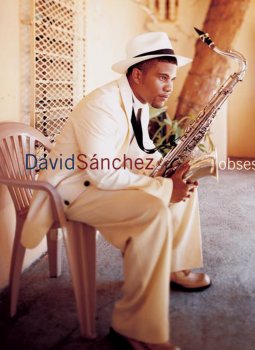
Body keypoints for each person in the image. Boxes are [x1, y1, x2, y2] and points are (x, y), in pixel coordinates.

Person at [21, 32, 211, 350]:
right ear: (138, 75)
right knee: (153, 209)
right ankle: (133, 329)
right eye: (162, 77)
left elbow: (140, 152)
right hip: (70, 191)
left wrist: (169, 167)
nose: (169, 86)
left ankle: (173, 266)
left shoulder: (137, 102)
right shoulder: (102, 105)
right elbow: (102, 174)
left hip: (95, 181)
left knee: (183, 187)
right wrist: (162, 187)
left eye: (172, 79)